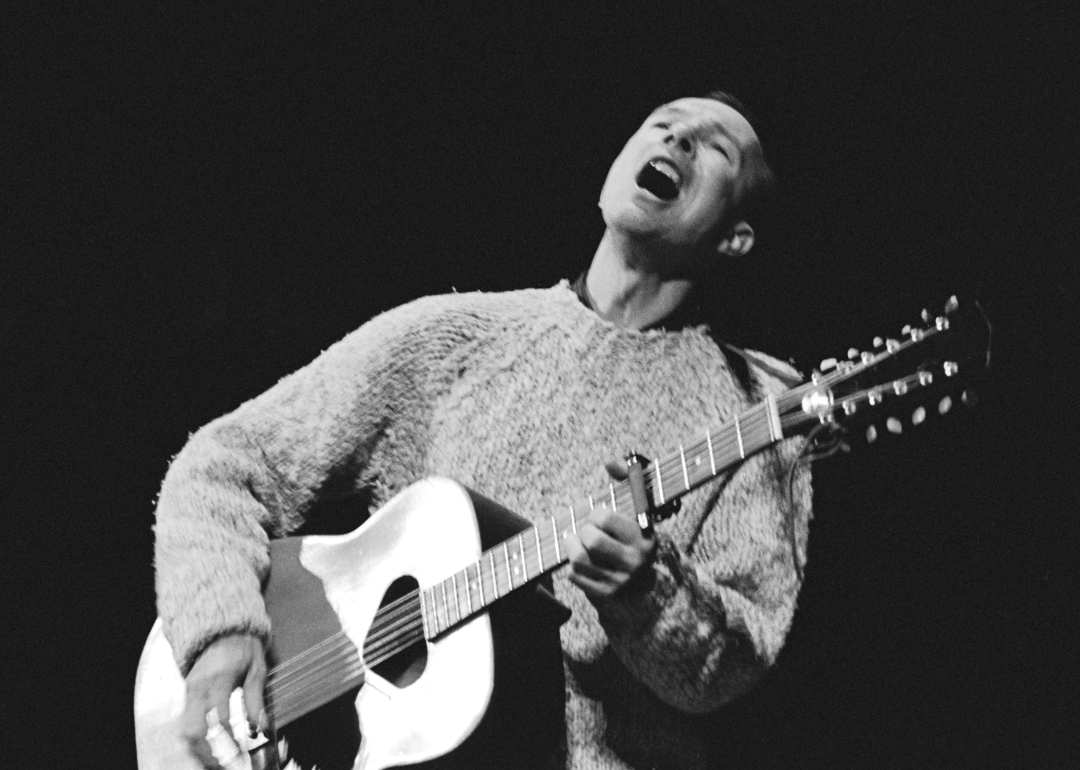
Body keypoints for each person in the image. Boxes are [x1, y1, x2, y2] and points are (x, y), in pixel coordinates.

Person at [154, 92, 812, 770]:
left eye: (715, 146)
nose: (677, 140)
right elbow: (223, 464)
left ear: (736, 237)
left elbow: (728, 672)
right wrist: (222, 631)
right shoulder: (453, 337)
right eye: (662, 124)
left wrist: (647, 597)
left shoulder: (756, 407)